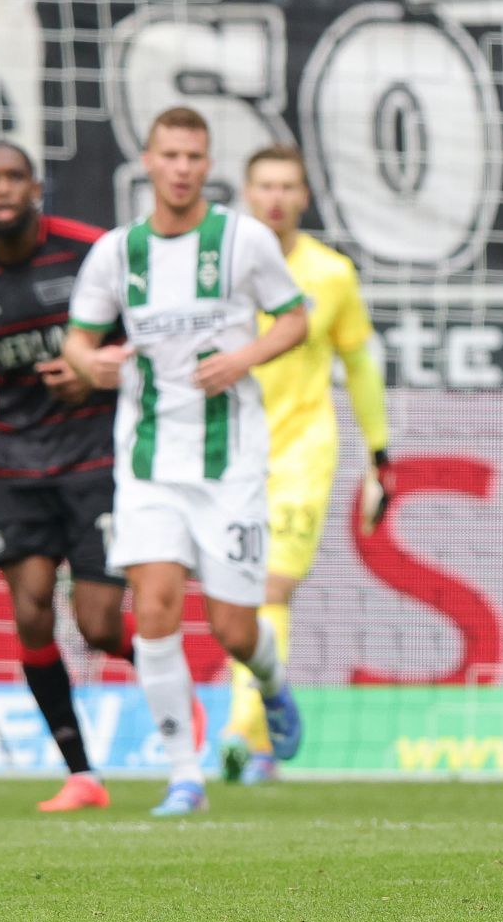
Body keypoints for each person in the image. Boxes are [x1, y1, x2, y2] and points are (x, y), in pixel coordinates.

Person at [63, 107, 310, 817]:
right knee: (155, 610)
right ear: (147, 160)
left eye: (193, 156)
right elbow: (78, 340)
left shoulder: (243, 241)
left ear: (207, 165)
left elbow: (294, 317)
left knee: (234, 627)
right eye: (168, 154)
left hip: (230, 463)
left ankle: (268, 675)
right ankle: (184, 776)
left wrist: (244, 356)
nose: (180, 168)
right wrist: (93, 364)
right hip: (146, 465)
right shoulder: (116, 252)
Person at [0, 144, 137, 813]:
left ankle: (169, 679)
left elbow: (141, 338)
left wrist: (96, 367)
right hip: (18, 464)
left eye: (13, 175)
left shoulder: (89, 252)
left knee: (101, 624)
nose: (2, 187)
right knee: (29, 609)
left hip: (96, 458)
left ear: (36, 186)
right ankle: (83, 774)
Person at [218, 145, 394, 786]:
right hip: (225, 451)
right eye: (264, 184)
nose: (275, 197)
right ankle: (259, 723)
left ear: (304, 197)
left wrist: (380, 456)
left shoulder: (330, 273)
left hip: (302, 451)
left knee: (269, 587)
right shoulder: (220, 265)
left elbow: (359, 365)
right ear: (246, 190)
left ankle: (246, 733)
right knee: (231, 590)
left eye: (288, 186)